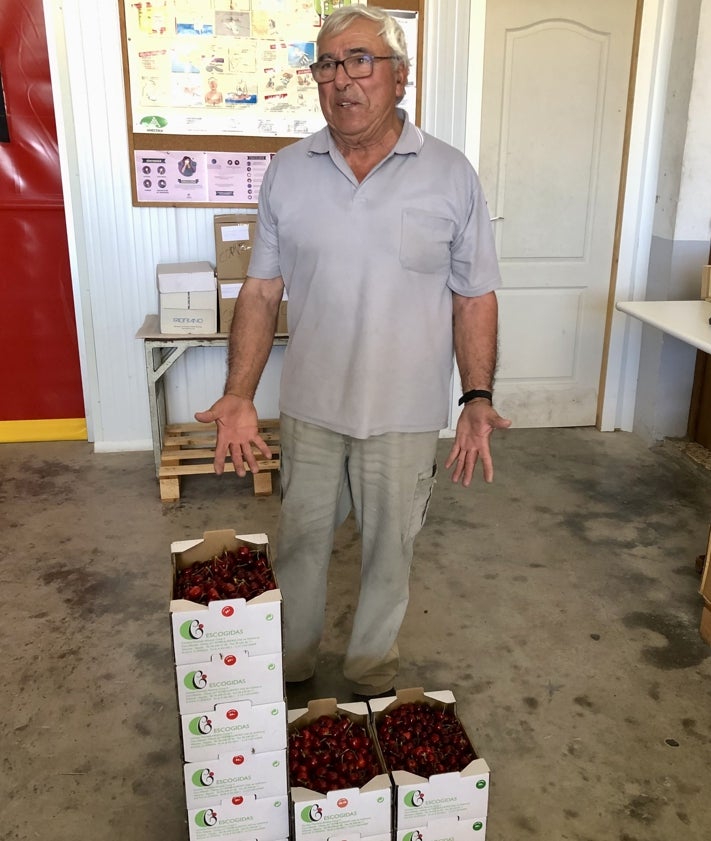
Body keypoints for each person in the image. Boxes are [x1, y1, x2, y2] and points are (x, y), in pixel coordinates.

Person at [196, 6, 511, 698]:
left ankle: (370, 673)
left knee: (388, 551)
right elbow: (260, 290)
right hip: (311, 404)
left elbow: (474, 295)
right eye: (328, 64)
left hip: (403, 410)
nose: (342, 80)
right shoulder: (287, 171)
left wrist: (476, 397)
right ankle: (294, 666)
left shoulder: (450, 174)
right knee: (302, 542)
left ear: (400, 77)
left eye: (360, 60)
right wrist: (241, 392)